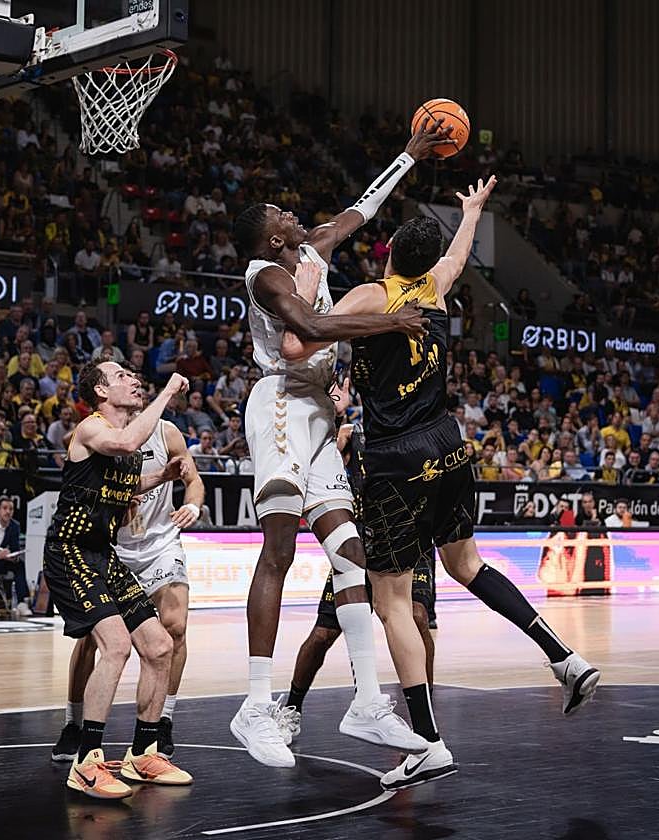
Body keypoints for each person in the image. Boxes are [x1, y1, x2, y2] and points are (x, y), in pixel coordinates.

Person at [281, 178, 598, 789]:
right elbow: (455, 259)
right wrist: (473, 212)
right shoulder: (438, 292)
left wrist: (304, 290)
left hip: (397, 459)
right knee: (469, 566)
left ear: (389, 250)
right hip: (449, 446)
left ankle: (427, 742)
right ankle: (565, 658)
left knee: (392, 599)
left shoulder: (373, 293)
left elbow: (299, 340)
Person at [227, 119, 447, 768]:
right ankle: (257, 704)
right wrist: (384, 319)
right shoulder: (266, 273)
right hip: (281, 404)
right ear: (272, 235)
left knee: (352, 555)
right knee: (280, 550)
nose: (291, 211)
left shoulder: (314, 250)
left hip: (320, 410)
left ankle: (367, 701)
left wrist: (408, 153)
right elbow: (310, 323)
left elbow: (363, 207)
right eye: (279, 211)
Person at [44, 362, 192, 800]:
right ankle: (86, 761)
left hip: (103, 555)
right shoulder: (92, 429)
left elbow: (123, 488)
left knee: (160, 646)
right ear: (101, 390)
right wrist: (166, 394)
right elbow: (129, 439)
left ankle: (144, 751)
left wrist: (160, 478)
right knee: (116, 645)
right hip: (71, 552)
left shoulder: (125, 447)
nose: (133, 378)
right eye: (122, 375)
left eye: (133, 374)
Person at [281, 422, 438, 739]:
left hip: (409, 537)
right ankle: (291, 709)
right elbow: (316, 481)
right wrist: (335, 447)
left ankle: (423, 718)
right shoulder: (350, 438)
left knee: (417, 616)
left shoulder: (415, 434)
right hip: (361, 545)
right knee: (323, 634)